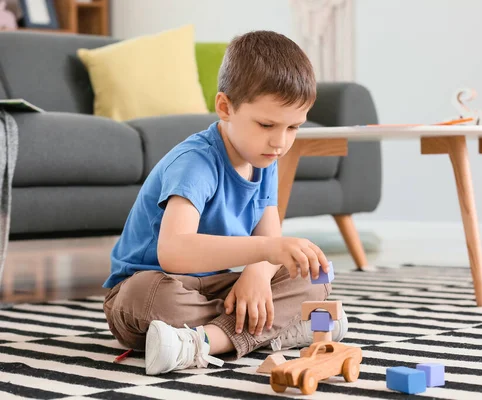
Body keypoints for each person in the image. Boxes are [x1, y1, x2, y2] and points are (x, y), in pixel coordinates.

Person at [102, 30, 348, 376]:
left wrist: (258, 274)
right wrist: (264, 254)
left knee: (314, 277)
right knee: (146, 296)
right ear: (225, 107)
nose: (280, 141)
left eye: (293, 127)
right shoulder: (196, 162)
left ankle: (202, 342)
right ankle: (271, 328)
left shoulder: (265, 158)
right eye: (266, 124)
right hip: (156, 286)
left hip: (218, 286)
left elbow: (270, 235)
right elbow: (174, 251)